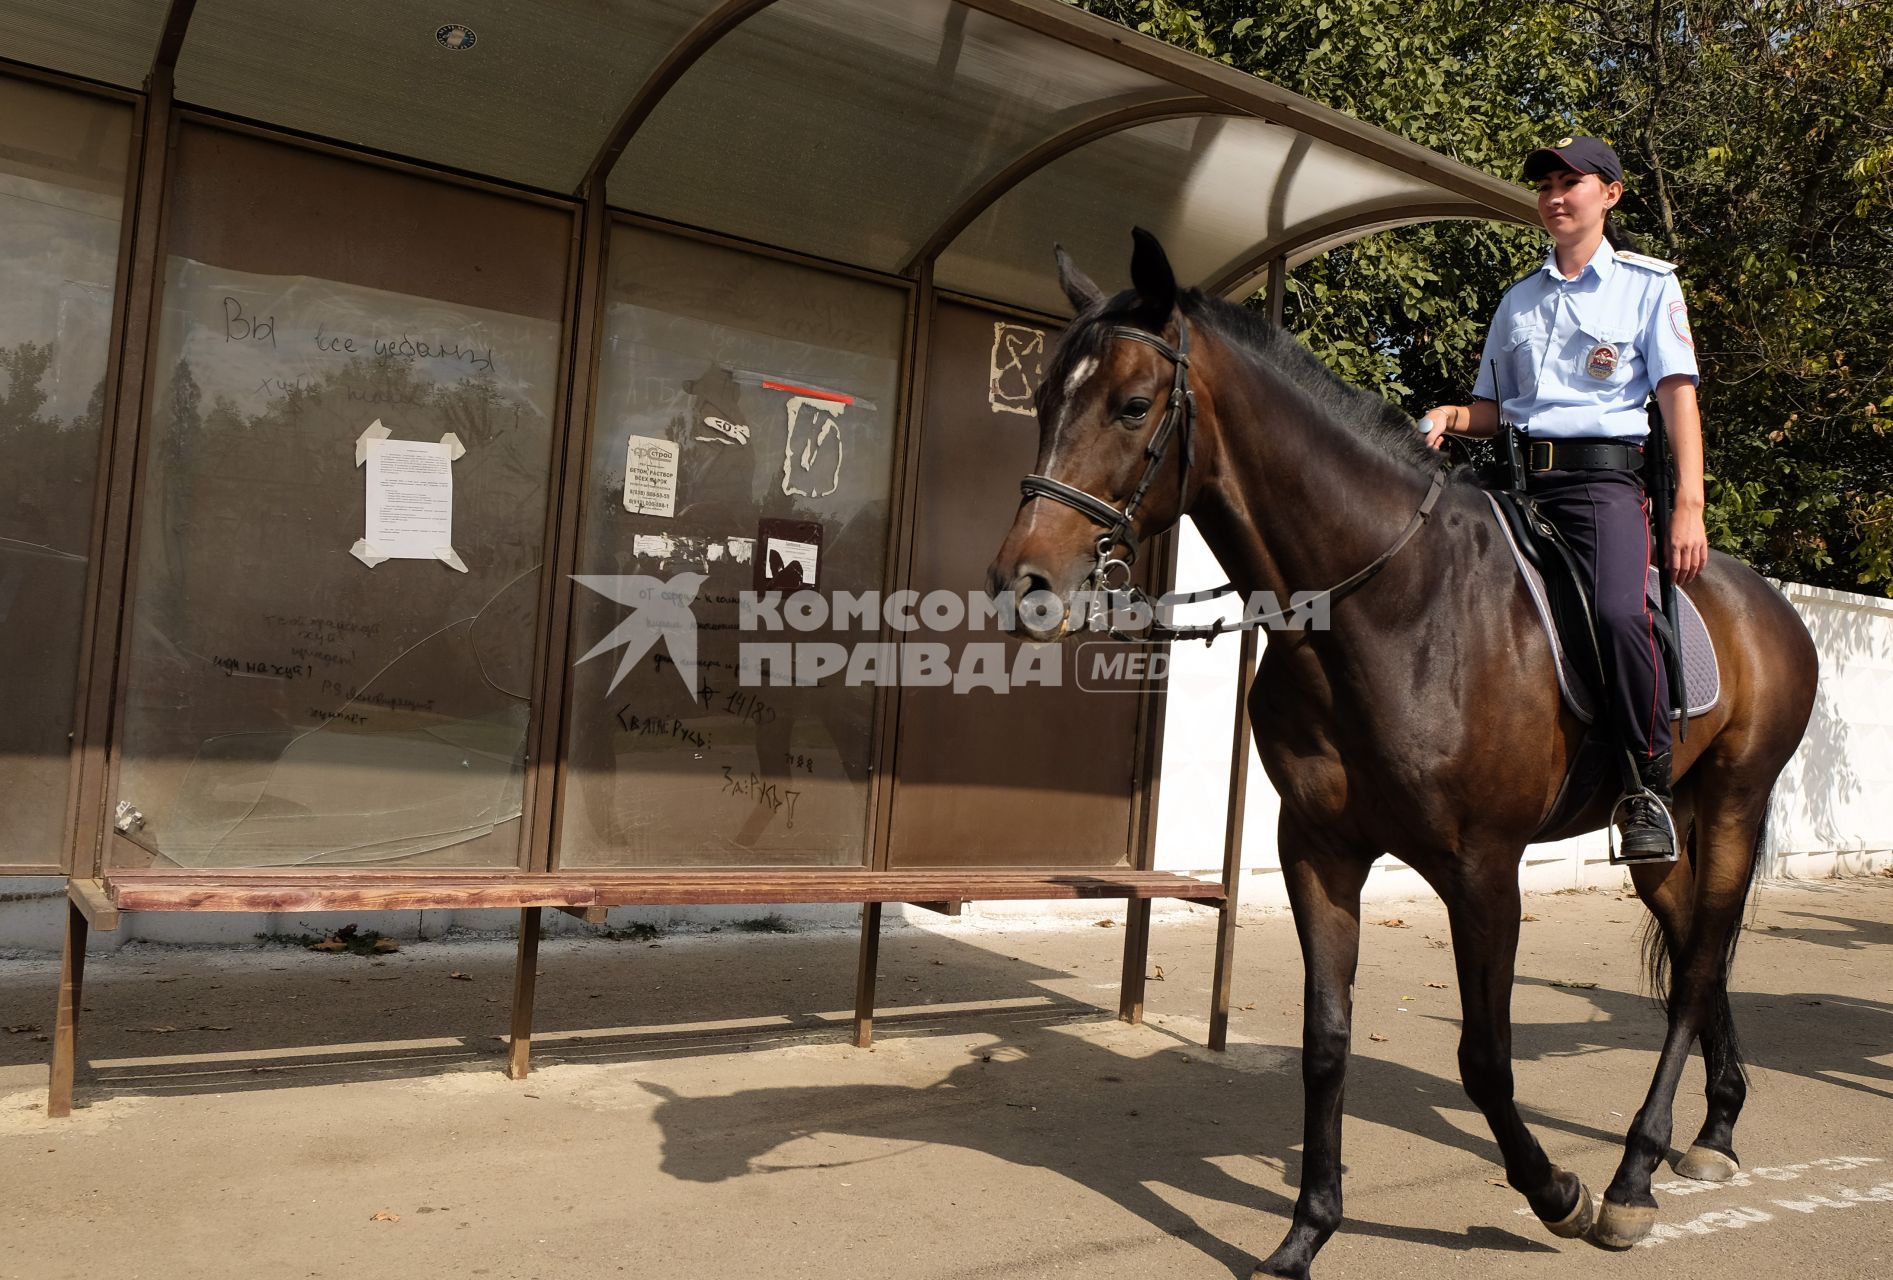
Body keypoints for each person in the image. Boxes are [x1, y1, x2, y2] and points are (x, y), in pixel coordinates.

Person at [1418, 135, 1708, 858]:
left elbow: (1678, 403)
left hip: (1599, 486)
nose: (1553, 194)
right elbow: (1493, 410)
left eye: (1569, 181)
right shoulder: (1517, 300)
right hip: (1511, 481)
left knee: (1616, 611)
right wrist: (1451, 417)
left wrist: (1687, 507)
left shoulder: (1647, 286)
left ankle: (1645, 786)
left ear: (1608, 194)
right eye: (1544, 183)